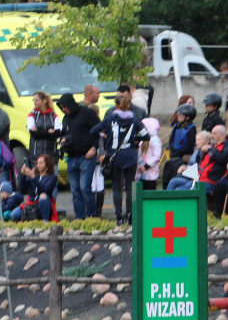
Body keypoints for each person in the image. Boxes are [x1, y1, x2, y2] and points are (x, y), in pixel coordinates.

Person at [89, 93, 148, 224]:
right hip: (131, 156)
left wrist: (105, 135)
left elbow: (93, 131)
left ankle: (118, 216)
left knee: (116, 188)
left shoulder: (110, 120)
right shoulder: (134, 120)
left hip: (114, 156)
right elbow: (146, 135)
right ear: (129, 106)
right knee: (130, 186)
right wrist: (135, 140)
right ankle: (130, 213)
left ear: (116, 106)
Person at [57, 93, 99, 218]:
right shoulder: (66, 118)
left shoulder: (86, 113)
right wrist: (62, 141)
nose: (64, 110)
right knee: (75, 190)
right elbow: (64, 133)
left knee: (85, 187)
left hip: (86, 157)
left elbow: (100, 130)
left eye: (65, 107)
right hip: (71, 157)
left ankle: (92, 216)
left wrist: (95, 148)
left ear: (70, 104)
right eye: (61, 108)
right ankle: (79, 217)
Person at [13, 153, 58, 221]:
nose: (38, 165)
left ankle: (45, 221)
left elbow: (46, 190)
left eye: (41, 163)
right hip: (31, 202)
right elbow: (22, 190)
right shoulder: (33, 174)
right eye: (37, 163)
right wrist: (23, 175)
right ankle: (31, 220)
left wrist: (34, 178)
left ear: (47, 164)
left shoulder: (52, 177)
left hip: (44, 203)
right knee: (14, 214)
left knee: (43, 196)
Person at [163, 103, 197, 188]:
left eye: (181, 114)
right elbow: (171, 140)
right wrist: (173, 152)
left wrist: (177, 154)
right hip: (174, 155)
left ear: (187, 117)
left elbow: (189, 147)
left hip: (183, 158)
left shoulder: (191, 129)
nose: (178, 115)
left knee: (176, 175)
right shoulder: (176, 126)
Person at [26, 91, 62, 169]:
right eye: (34, 100)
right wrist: (48, 131)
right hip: (36, 156)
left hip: (51, 155)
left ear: (44, 101)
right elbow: (34, 134)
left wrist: (39, 131)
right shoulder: (31, 115)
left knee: (52, 180)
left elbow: (57, 133)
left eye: (37, 100)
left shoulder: (54, 116)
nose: (34, 102)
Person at [136, 117, 163, 190]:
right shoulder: (143, 139)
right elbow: (139, 154)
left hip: (150, 172)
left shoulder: (155, 140)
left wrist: (146, 166)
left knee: (149, 191)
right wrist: (140, 165)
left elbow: (157, 156)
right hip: (141, 171)